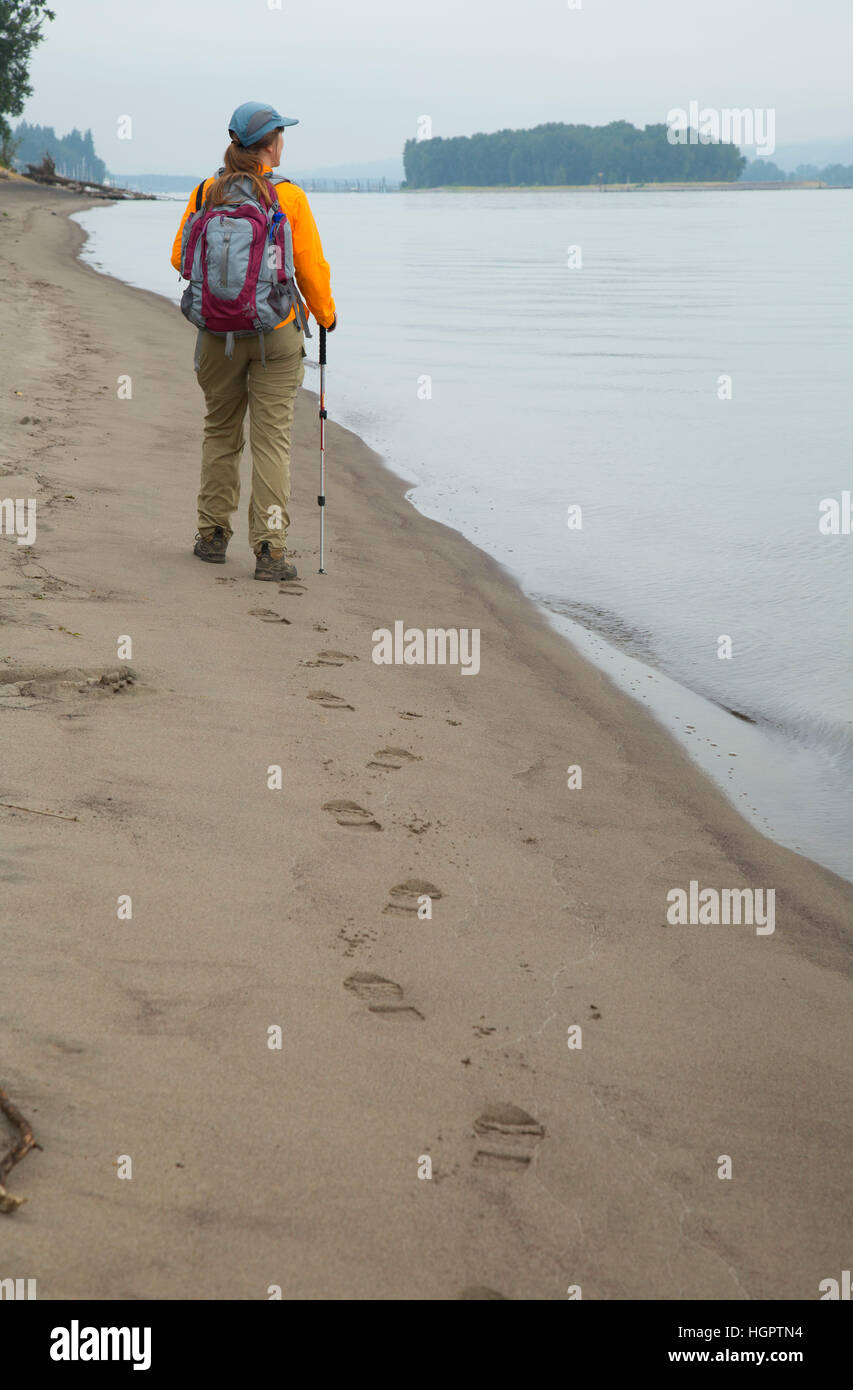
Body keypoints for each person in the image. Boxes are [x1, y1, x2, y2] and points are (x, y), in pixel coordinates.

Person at [171, 101, 337, 581]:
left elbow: (180, 256)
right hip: (276, 335)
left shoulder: (207, 190)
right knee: (271, 442)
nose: (283, 141)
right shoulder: (291, 199)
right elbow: (309, 270)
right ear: (269, 145)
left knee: (220, 431)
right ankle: (269, 551)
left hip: (215, 332)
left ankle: (211, 538)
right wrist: (326, 316)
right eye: (280, 134)